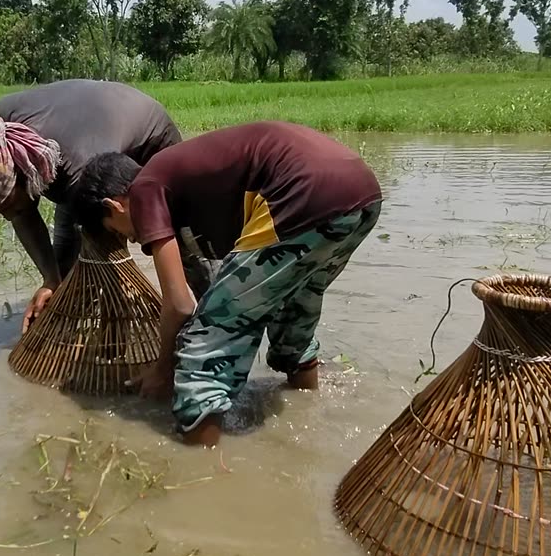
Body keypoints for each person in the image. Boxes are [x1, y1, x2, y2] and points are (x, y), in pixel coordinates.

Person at [74, 121, 382, 447]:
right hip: (361, 192)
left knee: (199, 353)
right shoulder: (179, 187)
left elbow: (180, 305)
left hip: (303, 192)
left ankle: (202, 469)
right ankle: (306, 414)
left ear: (115, 205)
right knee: (292, 315)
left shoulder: (144, 188)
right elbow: (213, 283)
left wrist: (163, 369)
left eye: (120, 232)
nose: (134, 240)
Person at [0, 79, 213, 332]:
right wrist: (51, 280)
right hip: (83, 137)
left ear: (22, 174)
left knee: (181, 239)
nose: (5, 214)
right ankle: (73, 318)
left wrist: (114, 317)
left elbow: (109, 251)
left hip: (147, 136)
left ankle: (214, 318)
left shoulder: (77, 166)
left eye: (5, 204)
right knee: (65, 261)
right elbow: (21, 211)